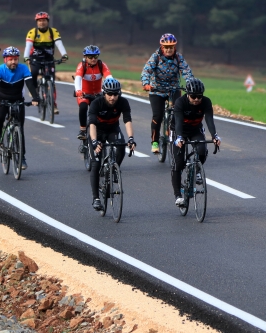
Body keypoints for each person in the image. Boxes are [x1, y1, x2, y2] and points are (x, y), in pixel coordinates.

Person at [88, 78, 136, 211]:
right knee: (96, 163)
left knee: (121, 146)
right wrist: (93, 141)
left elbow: (127, 120)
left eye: (116, 94)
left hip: (112, 129)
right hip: (96, 131)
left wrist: (131, 138)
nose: (113, 97)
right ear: (104, 93)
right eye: (110, 94)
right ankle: (96, 199)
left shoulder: (123, 102)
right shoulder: (96, 103)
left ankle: (114, 169)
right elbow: (91, 124)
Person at [171, 78, 221, 207]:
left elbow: (209, 120)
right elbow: (178, 122)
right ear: (187, 94)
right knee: (178, 163)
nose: (196, 99)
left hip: (195, 129)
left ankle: (197, 169)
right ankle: (178, 196)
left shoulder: (206, 102)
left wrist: (215, 136)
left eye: (199, 96)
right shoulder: (180, 102)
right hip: (179, 129)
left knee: (201, 150)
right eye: (193, 96)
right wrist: (179, 138)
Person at [140, 33, 193, 154]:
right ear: (162, 47)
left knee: (176, 112)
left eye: (171, 47)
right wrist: (146, 83)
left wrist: (190, 84)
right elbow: (146, 71)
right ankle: (155, 142)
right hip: (156, 90)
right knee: (158, 116)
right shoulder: (155, 57)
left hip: (173, 89)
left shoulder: (178, 58)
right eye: (166, 47)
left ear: (175, 47)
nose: (169, 49)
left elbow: (186, 72)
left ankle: (173, 131)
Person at [0, 47, 39, 170]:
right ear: (5, 59)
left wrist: (35, 97)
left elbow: (30, 85)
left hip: (18, 100)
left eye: (16, 59)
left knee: (20, 129)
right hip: (2, 100)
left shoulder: (23, 68)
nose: (13, 62)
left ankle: (22, 158)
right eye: (11, 59)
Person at [23, 12, 68, 114]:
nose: (41, 23)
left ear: (47, 21)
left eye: (43, 20)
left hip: (49, 59)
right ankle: (34, 90)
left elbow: (59, 44)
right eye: (39, 21)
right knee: (33, 73)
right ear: (36, 22)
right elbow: (28, 46)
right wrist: (26, 57)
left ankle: (53, 104)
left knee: (51, 81)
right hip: (35, 59)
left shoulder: (53, 32)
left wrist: (64, 54)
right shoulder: (32, 32)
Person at [73, 45, 112, 140]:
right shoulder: (82, 66)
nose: (93, 59)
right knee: (83, 106)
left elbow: (109, 77)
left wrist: (111, 89)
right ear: (85, 57)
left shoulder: (101, 65)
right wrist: (78, 91)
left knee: (104, 110)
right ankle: (82, 130)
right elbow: (77, 79)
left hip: (98, 93)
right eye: (90, 57)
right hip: (84, 93)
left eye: (96, 56)